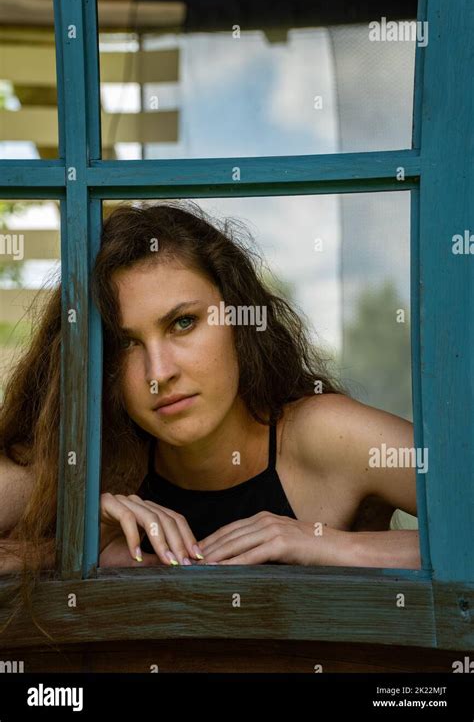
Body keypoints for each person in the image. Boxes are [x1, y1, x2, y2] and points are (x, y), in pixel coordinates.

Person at [0, 201, 420, 585]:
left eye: (183, 323)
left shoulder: (324, 434)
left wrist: (331, 544)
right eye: (126, 343)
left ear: (239, 322)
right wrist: (71, 543)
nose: (159, 373)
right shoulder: (95, 457)